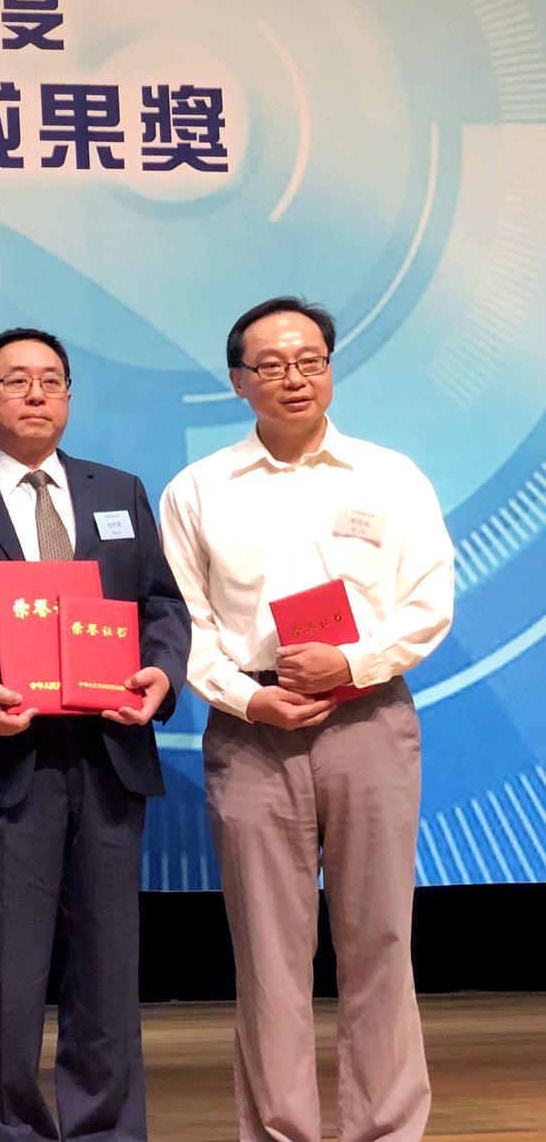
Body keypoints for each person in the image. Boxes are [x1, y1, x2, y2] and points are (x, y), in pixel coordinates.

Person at [160, 297, 454, 1142]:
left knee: (380, 940)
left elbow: (427, 604)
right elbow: (185, 624)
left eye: (311, 360)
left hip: (369, 719)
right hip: (254, 729)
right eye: (273, 365)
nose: (295, 378)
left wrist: (354, 665)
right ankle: (282, 1130)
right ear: (238, 381)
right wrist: (248, 696)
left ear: (331, 367)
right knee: (268, 955)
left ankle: (388, 1129)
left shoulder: (389, 476)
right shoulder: (199, 488)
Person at [0, 327, 188, 1142]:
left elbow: (161, 607)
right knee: (2, 976)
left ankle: (105, 1129)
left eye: (52, 380)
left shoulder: (119, 491)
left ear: (68, 399)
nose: (36, 394)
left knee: (107, 971)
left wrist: (161, 674)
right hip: (3, 762)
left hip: (108, 759)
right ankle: (9, 1132)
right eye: (16, 381)